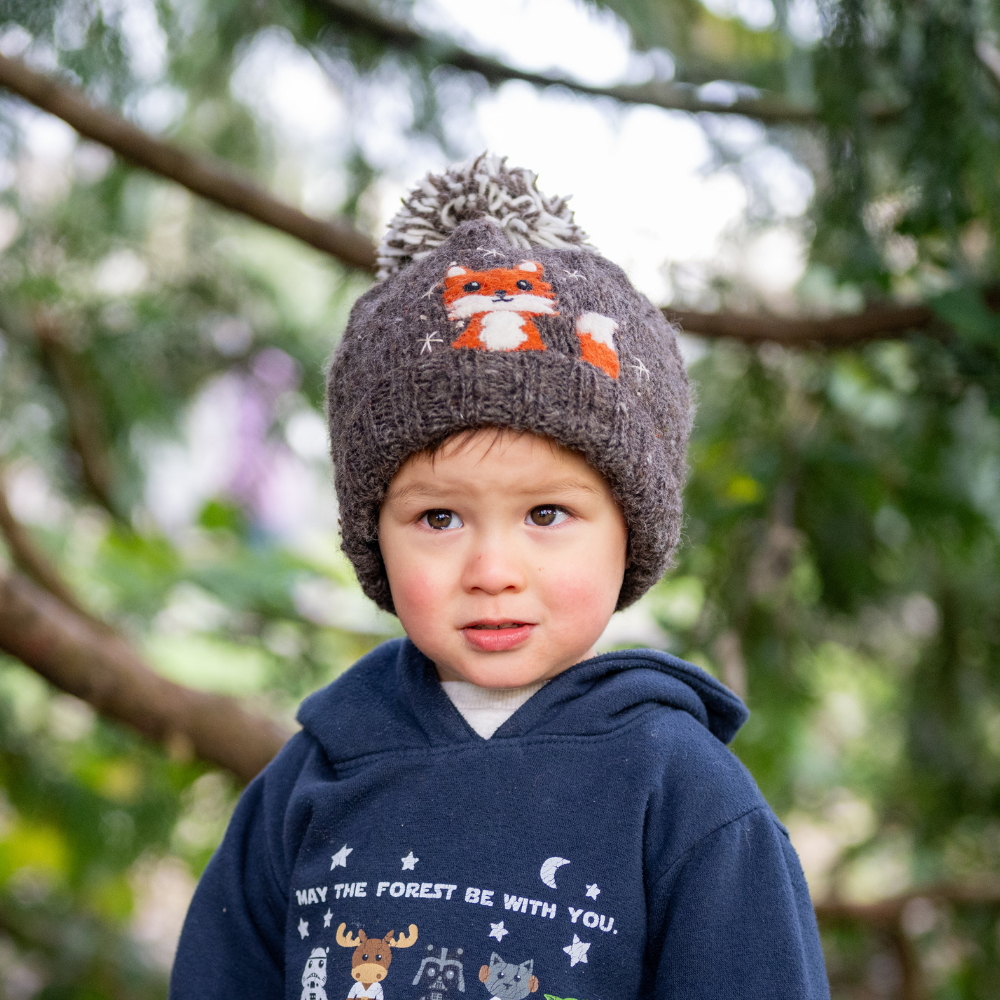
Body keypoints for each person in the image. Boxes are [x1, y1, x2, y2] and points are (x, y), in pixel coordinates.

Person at [170, 154, 830, 999]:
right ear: (373, 536)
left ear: (634, 533)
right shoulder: (310, 782)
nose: (491, 571)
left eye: (547, 516)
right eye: (438, 518)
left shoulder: (684, 798)